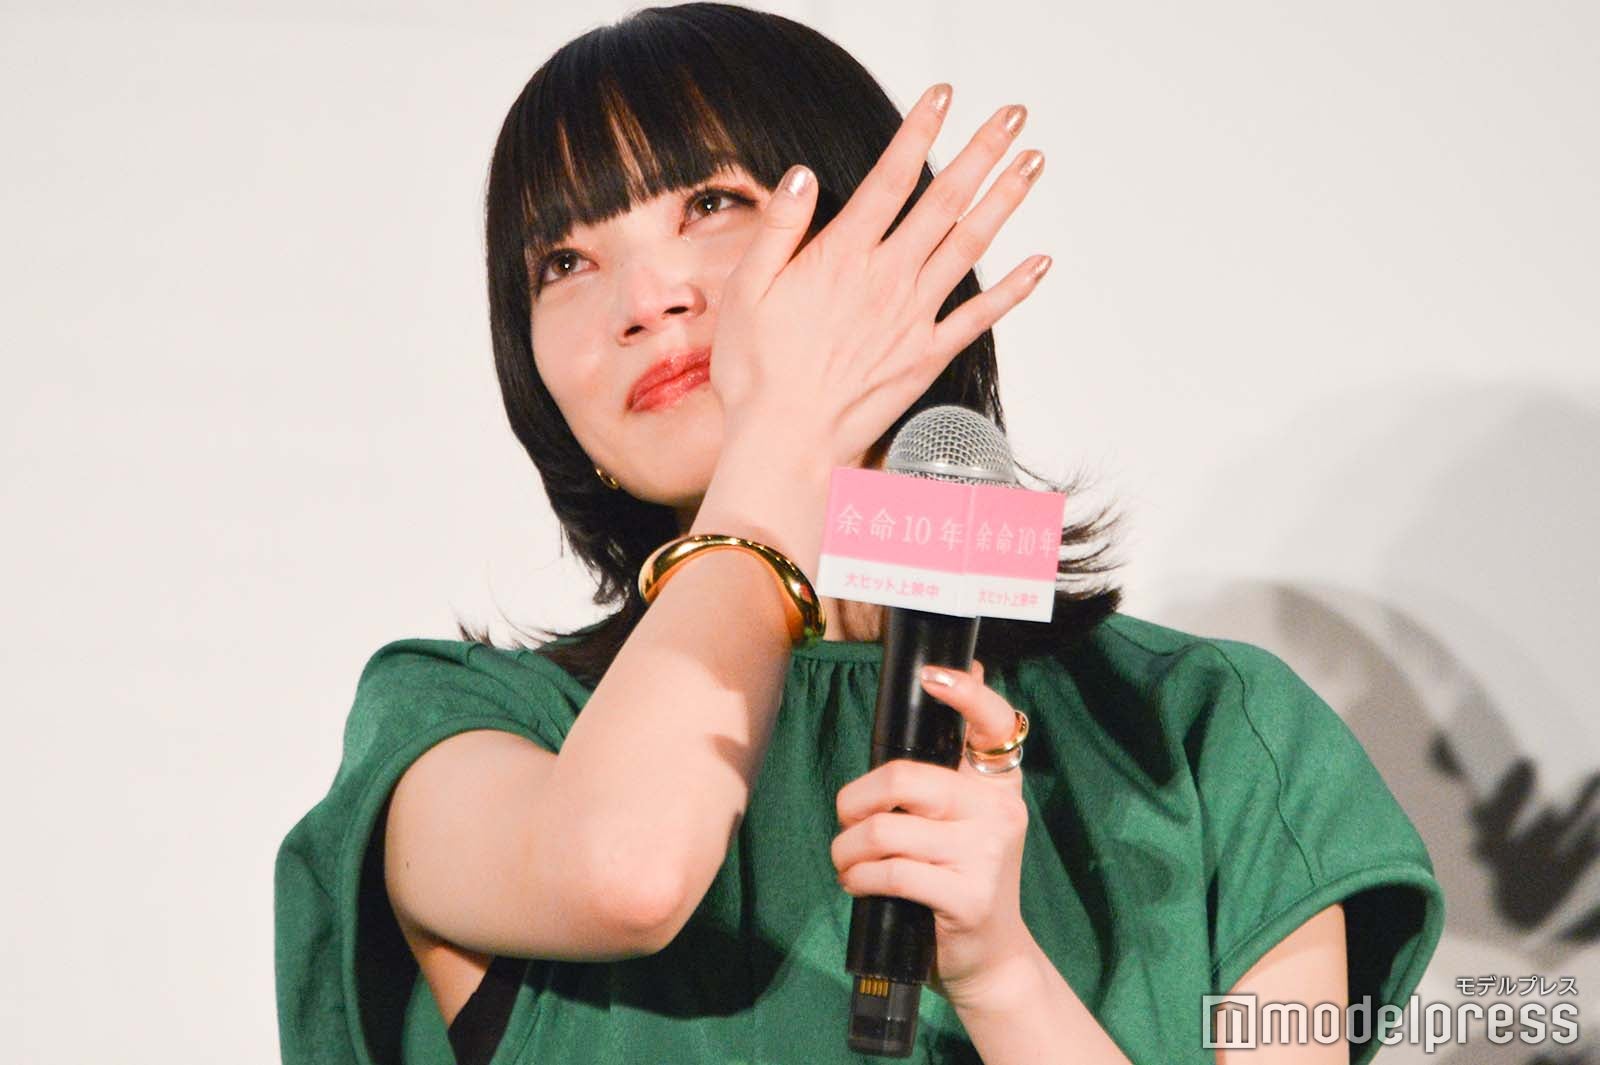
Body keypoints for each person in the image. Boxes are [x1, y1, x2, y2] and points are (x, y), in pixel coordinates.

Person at [273, 5, 1445, 1064]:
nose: (646, 300)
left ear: (890, 243)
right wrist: (782, 437)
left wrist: (1004, 979)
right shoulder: (459, 731)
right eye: (564, 262)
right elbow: (627, 871)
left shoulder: (1206, 733)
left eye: (711, 204)